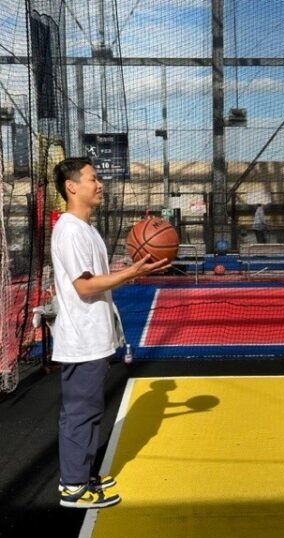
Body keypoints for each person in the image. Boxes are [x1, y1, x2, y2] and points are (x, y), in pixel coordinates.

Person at [51, 157, 168, 508]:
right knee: (80, 412)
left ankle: (83, 474)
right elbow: (85, 287)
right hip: (81, 339)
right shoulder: (70, 230)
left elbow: (94, 280)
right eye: (92, 178)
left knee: (90, 411)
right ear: (72, 186)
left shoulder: (85, 229)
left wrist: (128, 269)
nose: (99, 184)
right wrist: (131, 272)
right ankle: (73, 487)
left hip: (94, 336)